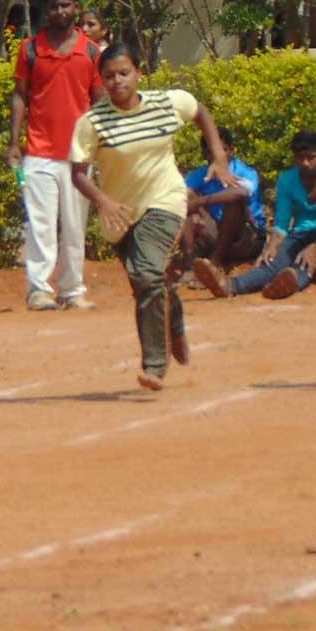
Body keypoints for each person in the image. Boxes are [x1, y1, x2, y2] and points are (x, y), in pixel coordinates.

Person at [70, 42, 232, 392]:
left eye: (124, 73)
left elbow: (200, 112)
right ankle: (175, 322)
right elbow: (78, 174)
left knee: (146, 274)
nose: (117, 81)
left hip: (164, 201)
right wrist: (102, 201)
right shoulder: (92, 122)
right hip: (121, 214)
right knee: (147, 281)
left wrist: (219, 157)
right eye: (109, 76)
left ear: (138, 73)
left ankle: (155, 365)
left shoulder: (165, 103)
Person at [8, 0, 102, 312]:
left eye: (65, 5)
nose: (60, 11)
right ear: (45, 10)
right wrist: (14, 142)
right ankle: (39, 290)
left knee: (75, 226)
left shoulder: (91, 52)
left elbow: (99, 102)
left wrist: (101, 144)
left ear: (76, 7)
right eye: (54, 6)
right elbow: (20, 96)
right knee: (41, 225)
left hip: (79, 155)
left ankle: (72, 290)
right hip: (39, 152)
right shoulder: (30, 49)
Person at [193, 129, 316, 301]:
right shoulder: (287, 179)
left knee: (306, 264)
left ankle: (290, 284)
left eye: (311, 157)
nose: (305, 163)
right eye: (300, 158)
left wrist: (315, 247)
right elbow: (282, 222)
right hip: (300, 233)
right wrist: (272, 246)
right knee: (272, 263)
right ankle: (231, 285)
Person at [178, 127, 262, 279]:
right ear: (205, 154)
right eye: (211, 152)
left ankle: (214, 264)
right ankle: (189, 266)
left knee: (233, 202)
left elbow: (242, 192)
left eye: (222, 150)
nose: (217, 156)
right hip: (216, 233)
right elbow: (181, 193)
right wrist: (195, 209)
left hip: (245, 237)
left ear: (231, 150)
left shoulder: (245, 172)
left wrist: (201, 202)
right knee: (187, 198)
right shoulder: (200, 174)